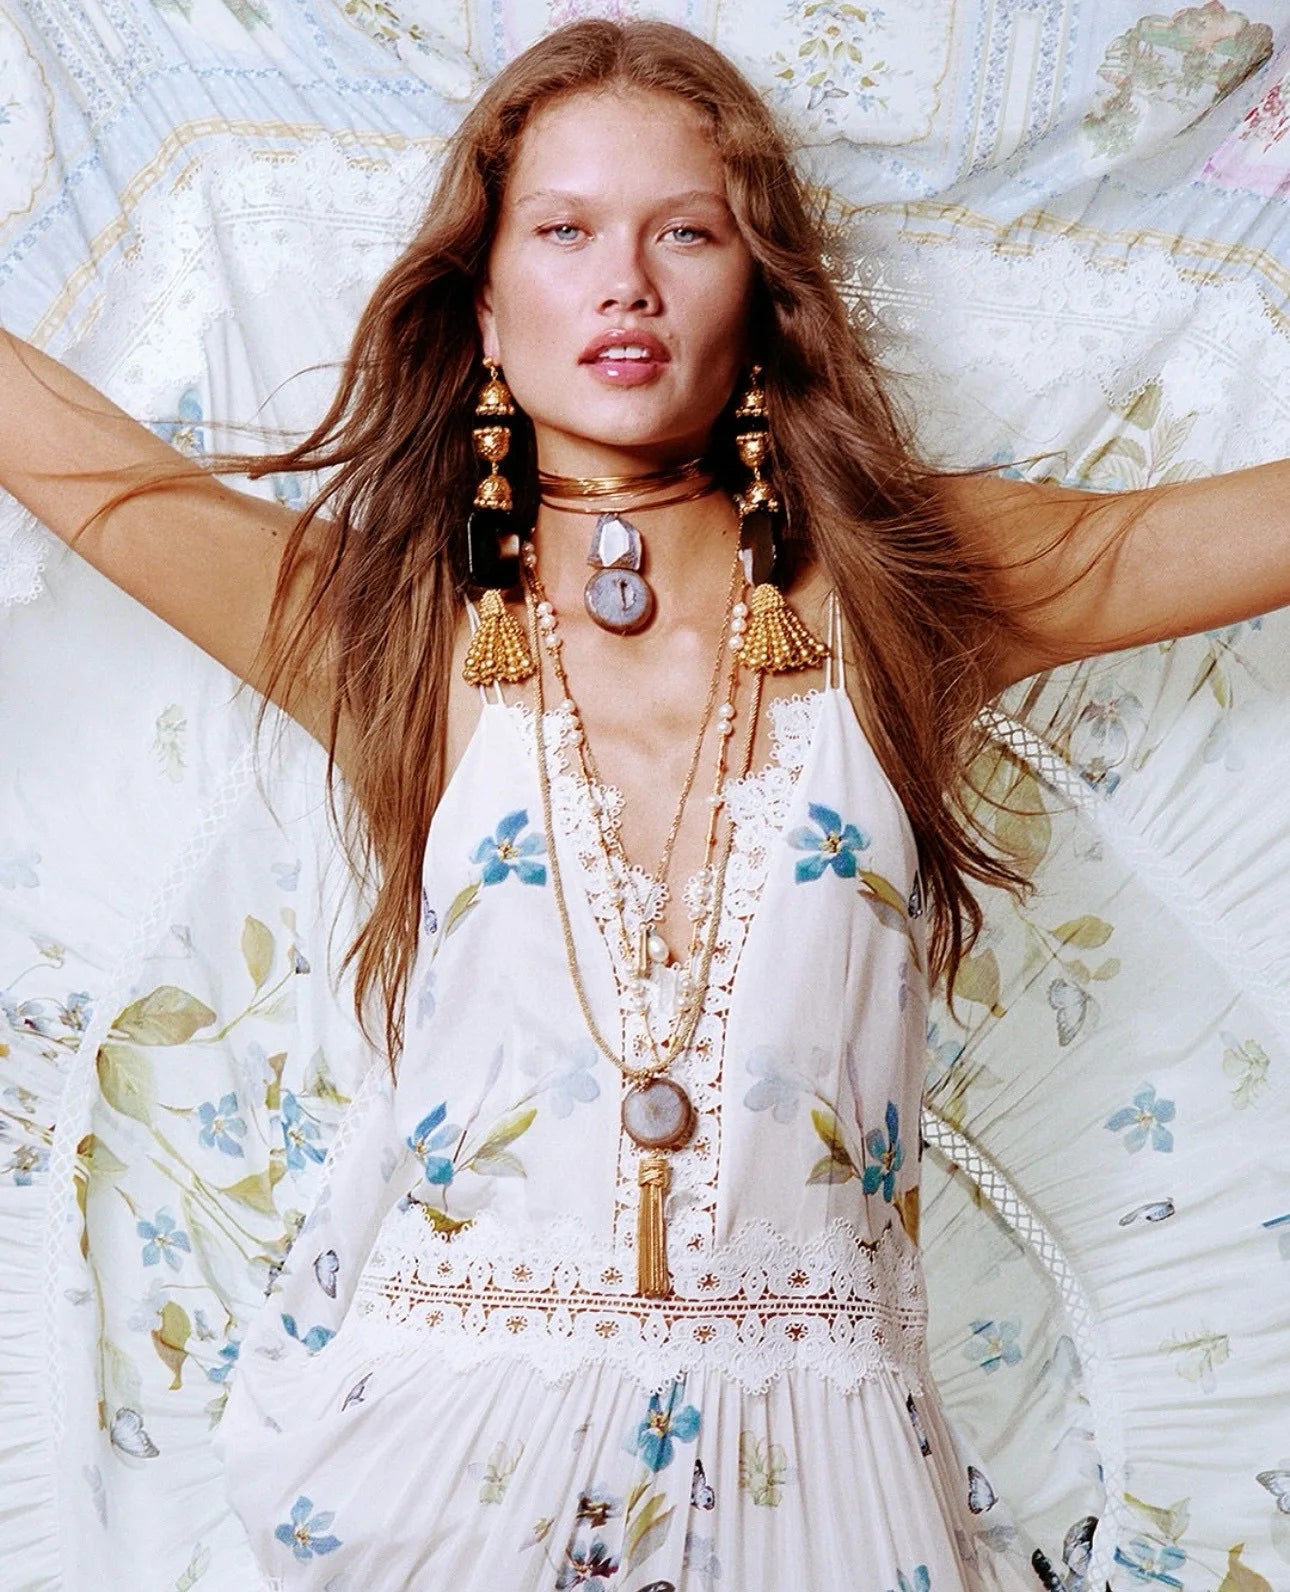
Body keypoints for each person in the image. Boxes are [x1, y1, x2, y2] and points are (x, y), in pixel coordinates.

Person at [2, 17, 1288, 1591]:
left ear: (759, 288)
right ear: (484, 304)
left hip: (830, 1489)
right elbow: (63, 453)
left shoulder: (910, 585)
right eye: (564, 231)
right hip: (444, 1481)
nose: (625, 282)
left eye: (686, 231)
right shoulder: (390, 624)